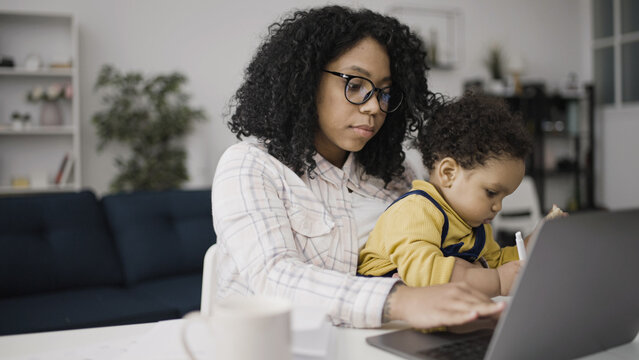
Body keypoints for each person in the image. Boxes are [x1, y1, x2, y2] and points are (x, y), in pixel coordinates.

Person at [212, 5, 504, 330]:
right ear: (306, 82)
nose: (373, 107)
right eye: (354, 85)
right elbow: (275, 277)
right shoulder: (250, 165)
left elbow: (432, 250)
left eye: (385, 92)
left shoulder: (394, 173)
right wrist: (400, 300)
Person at [358, 93, 555, 297]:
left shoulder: (475, 226)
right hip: (381, 307)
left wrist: (532, 244)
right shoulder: (415, 211)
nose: (498, 207)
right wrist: (495, 282)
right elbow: (424, 273)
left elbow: (498, 264)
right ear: (448, 173)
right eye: (491, 193)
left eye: (503, 198)